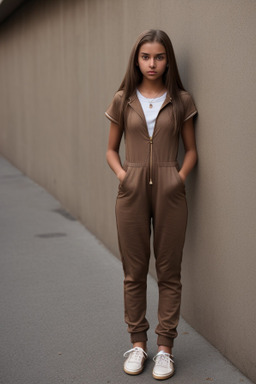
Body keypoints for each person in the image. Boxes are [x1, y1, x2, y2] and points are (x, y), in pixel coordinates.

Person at [105, 29, 198, 380]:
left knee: (169, 271)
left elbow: (191, 151)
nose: (152, 63)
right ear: (137, 60)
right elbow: (111, 149)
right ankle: (138, 344)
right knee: (134, 271)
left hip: (170, 191)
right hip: (131, 191)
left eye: (159, 57)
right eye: (146, 57)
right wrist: (123, 175)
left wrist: (179, 176)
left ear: (168, 60)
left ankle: (164, 349)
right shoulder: (122, 99)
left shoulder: (181, 100)